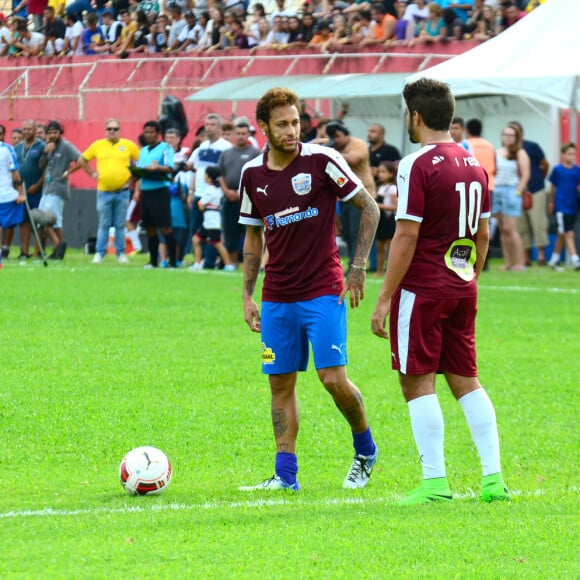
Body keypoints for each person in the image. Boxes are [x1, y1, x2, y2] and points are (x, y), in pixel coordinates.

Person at [371, 77, 510, 505]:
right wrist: (469, 277)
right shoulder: (473, 164)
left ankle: (434, 483)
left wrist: (384, 297)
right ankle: (493, 480)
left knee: (416, 382)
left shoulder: (416, 164)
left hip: (423, 287)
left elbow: (406, 237)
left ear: (415, 116)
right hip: (462, 286)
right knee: (467, 379)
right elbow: (483, 235)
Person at [238, 87, 380, 492]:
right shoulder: (252, 174)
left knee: (332, 378)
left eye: (296, 122)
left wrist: (357, 267)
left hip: (323, 290)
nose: (291, 130)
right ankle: (285, 476)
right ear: (263, 127)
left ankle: (365, 449)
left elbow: (369, 207)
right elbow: (252, 239)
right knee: (279, 382)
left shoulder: (322, 160)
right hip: (276, 296)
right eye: (282, 124)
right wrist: (248, 295)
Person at [67, 119, 140, 264]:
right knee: (104, 223)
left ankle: (120, 253)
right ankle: (100, 253)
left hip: (123, 190)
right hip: (104, 191)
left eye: (115, 129)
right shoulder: (98, 145)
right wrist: (92, 174)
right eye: (109, 129)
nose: (112, 131)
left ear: (120, 130)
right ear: (105, 130)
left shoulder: (128, 145)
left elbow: (141, 161)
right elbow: (82, 160)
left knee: (120, 224)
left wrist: (132, 178)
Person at [326, 119, 376, 267]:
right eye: (332, 137)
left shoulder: (357, 144)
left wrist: (331, 152)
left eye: (338, 136)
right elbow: (315, 142)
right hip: (343, 196)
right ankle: (353, 263)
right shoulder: (334, 144)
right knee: (346, 233)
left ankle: (356, 266)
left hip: (362, 194)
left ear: (346, 134)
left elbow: (355, 159)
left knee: (357, 232)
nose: (335, 140)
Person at [185, 113, 232, 267]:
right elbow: (194, 169)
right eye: (207, 124)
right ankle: (199, 259)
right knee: (196, 228)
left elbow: (227, 172)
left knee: (212, 230)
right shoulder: (201, 147)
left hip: (214, 197)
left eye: (212, 124)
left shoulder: (226, 147)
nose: (209, 127)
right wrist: (191, 192)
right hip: (199, 194)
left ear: (219, 127)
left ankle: (209, 261)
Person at [218, 119, 260, 267]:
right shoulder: (226, 153)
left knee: (250, 233)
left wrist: (243, 192)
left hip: (248, 200)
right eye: (238, 133)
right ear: (234, 134)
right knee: (230, 233)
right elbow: (220, 175)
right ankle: (231, 263)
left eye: (244, 133)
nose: (241, 136)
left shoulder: (255, 153)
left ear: (249, 134)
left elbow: (258, 176)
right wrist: (226, 191)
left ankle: (250, 264)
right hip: (229, 199)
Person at [135, 120, 177, 268]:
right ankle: (153, 261)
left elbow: (170, 168)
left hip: (160, 191)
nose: (149, 135)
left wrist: (156, 167)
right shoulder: (143, 151)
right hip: (145, 192)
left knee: (165, 228)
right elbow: (140, 169)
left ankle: (173, 262)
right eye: (146, 132)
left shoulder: (165, 148)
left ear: (158, 133)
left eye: (152, 132)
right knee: (150, 228)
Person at [38, 120, 80, 260]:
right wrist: (44, 153)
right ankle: (58, 247)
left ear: (60, 133)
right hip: (47, 188)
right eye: (49, 133)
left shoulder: (66, 146)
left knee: (50, 220)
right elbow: (41, 166)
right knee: (42, 220)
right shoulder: (48, 147)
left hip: (58, 189)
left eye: (55, 132)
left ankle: (58, 247)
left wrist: (69, 171)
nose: (52, 135)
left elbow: (81, 159)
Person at [511, 121, 550, 266]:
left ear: (521, 133)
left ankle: (541, 256)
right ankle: (526, 257)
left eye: (515, 132)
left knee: (539, 223)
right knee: (521, 225)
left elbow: (545, 164)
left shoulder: (532, 146)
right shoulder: (507, 151)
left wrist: (539, 179)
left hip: (536, 189)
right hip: (516, 191)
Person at [494, 122, 530, 271]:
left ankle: (520, 262)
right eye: (505, 135)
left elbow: (526, 175)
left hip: (512, 191)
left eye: (511, 135)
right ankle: (508, 262)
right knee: (502, 229)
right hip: (497, 190)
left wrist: (518, 192)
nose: (507, 138)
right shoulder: (497, 152)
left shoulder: (520, 153)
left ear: (516, 137)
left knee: (511, 228)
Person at [11, 120, 45, 259]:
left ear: (35, 129)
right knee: (23, 222)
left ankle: (37, 252)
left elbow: (45, 169)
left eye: (30, 129)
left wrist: (37, 185)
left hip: (36, 190)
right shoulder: (17, 147)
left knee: (38, 221)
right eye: (24, 129)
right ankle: (24, 252)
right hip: (21, 190)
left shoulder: (41, 146)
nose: (26, 132)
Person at [190, 166, 235, 271]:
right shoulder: (218, 189)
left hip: (211, 221)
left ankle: (229, 265)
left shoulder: (209, 190)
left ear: (209, 177)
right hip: (209, 221)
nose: (204, 177)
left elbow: (201, 205)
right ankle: (197, 264)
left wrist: (200, 204)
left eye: (205, 175)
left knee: (217, 243)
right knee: (196, 239)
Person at [547, 143, 580, 271]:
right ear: (563, 155)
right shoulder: (558, 170)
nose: (572, 156)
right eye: (569, 153)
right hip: (561, 206)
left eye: (574, 154)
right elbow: (552, 187)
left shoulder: (577, 170)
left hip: (572, 206)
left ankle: (553, 261)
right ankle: (575, 260)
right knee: (568, 233)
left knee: (562, 233)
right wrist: (551, 202)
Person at [0, 138, 25, 263]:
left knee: (8, 224)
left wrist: (21, 193)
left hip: (5, 194)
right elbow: (15, 172)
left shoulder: (6, 149)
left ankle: (5, 249)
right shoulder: (8, 149)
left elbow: (14, 172)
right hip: (5, 195)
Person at [374, 160, 397, 278]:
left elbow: (395, 206)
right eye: (379, 172)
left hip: (388, 220)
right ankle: (379, 270)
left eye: (383, 172)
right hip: (380, 221)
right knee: (379, 247)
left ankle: (390, 271)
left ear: (391, 174)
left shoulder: (392, 188)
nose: (380, 174)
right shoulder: (379, 187)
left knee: (390, 247)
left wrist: (380, 206)